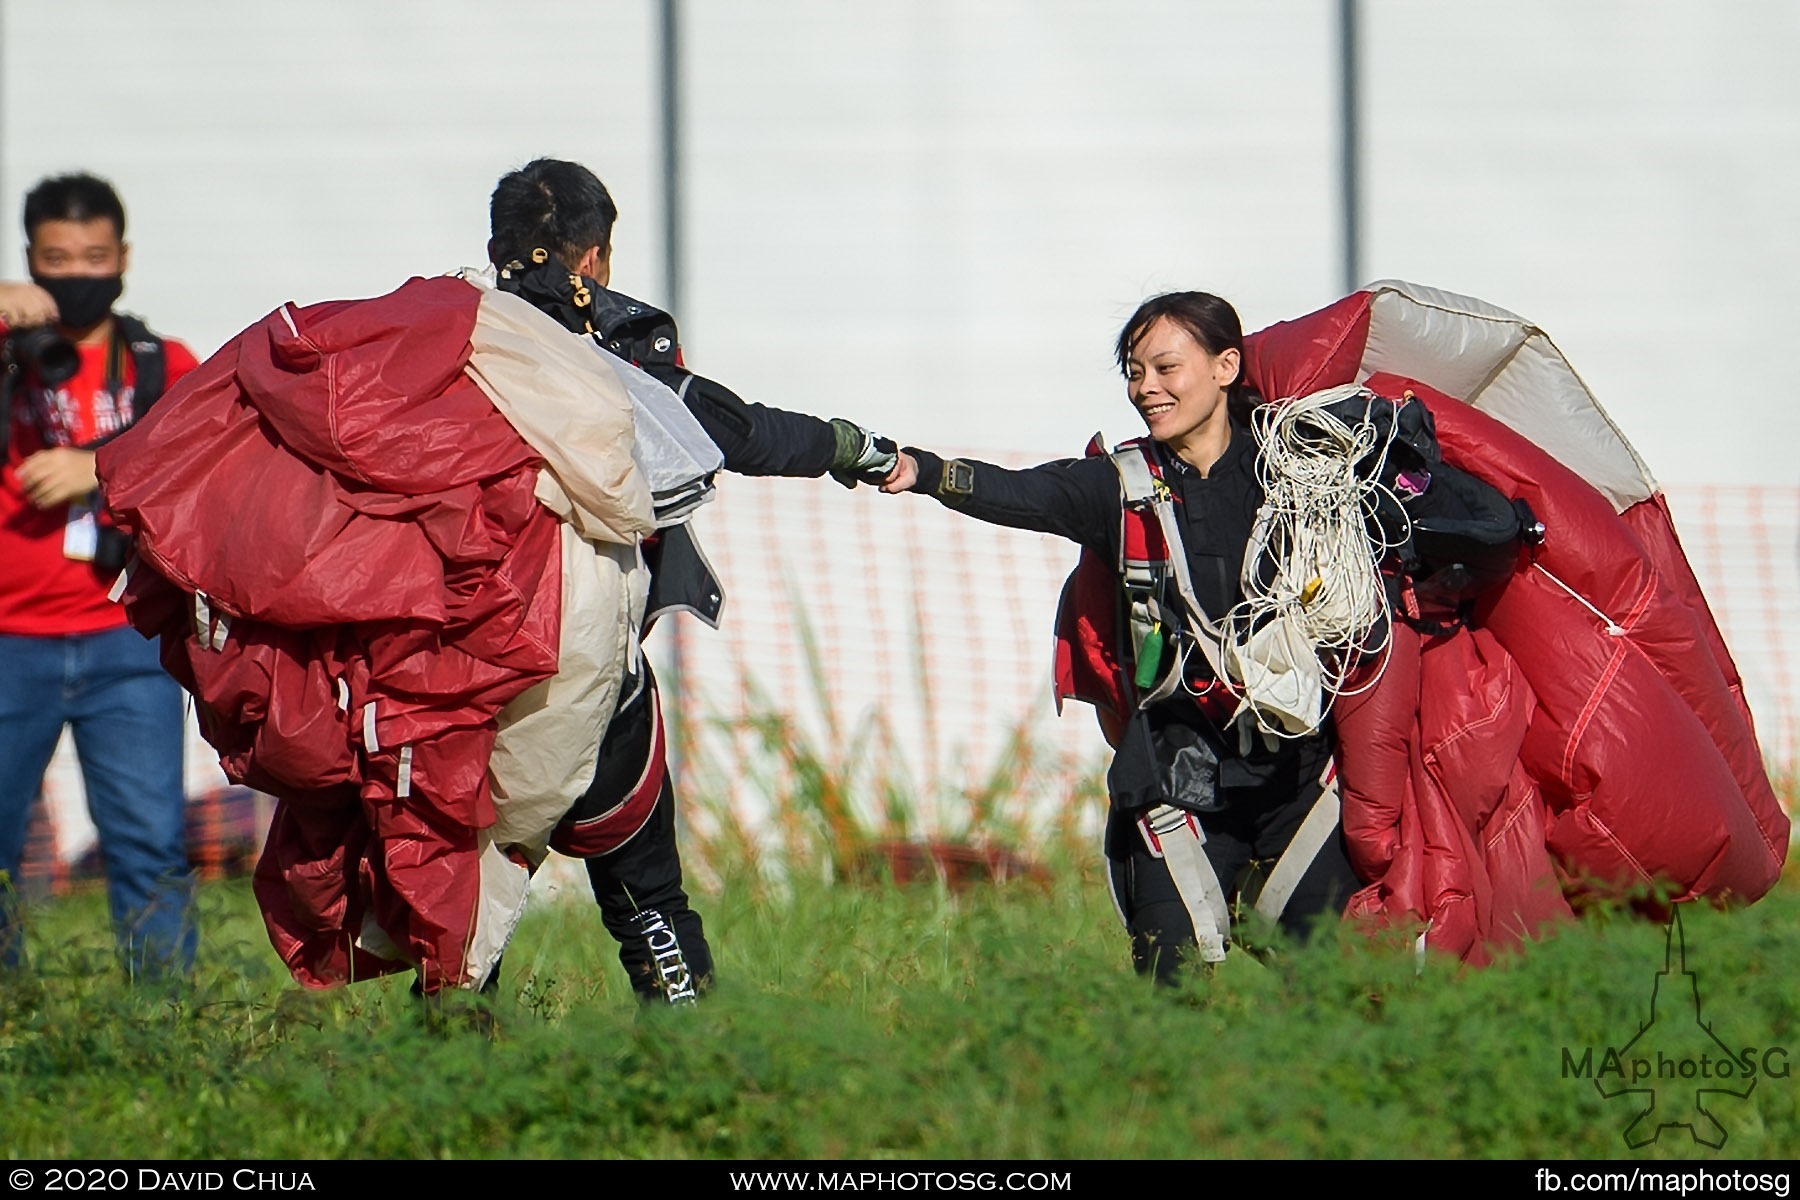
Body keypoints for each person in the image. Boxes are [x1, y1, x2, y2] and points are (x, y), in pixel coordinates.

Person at [484, 158, 900, 1004]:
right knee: (646, 891)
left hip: (462, 678)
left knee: (464, 905)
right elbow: (733, 431)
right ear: (595, 259)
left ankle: (444, 1086)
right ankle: (688, 1068)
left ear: (498, 249)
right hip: (589, 672)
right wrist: (852, 447)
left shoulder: (444, 353)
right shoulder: (599, 360)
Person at [882, 291, 1362, 983]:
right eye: (1135, 373)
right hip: (1175, 779)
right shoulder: (1120, 486)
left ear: (1227, 366)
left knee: (1336, 1001)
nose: (1147, 389)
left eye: (1166, 368)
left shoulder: (1302, 474)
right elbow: (1024, 493)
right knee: (1171, 1000)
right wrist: (923, 472)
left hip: (1299, 781)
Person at [0, 172, 200, 978]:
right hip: (9, 642)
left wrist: (101, 468)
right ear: (30, 261)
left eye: (92, 255)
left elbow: (209, 461)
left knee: (150, 846)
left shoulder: (161, 362)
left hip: (127, 642)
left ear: (121, 258)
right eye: (56, 258)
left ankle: (168, 1028)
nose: (75, 271)